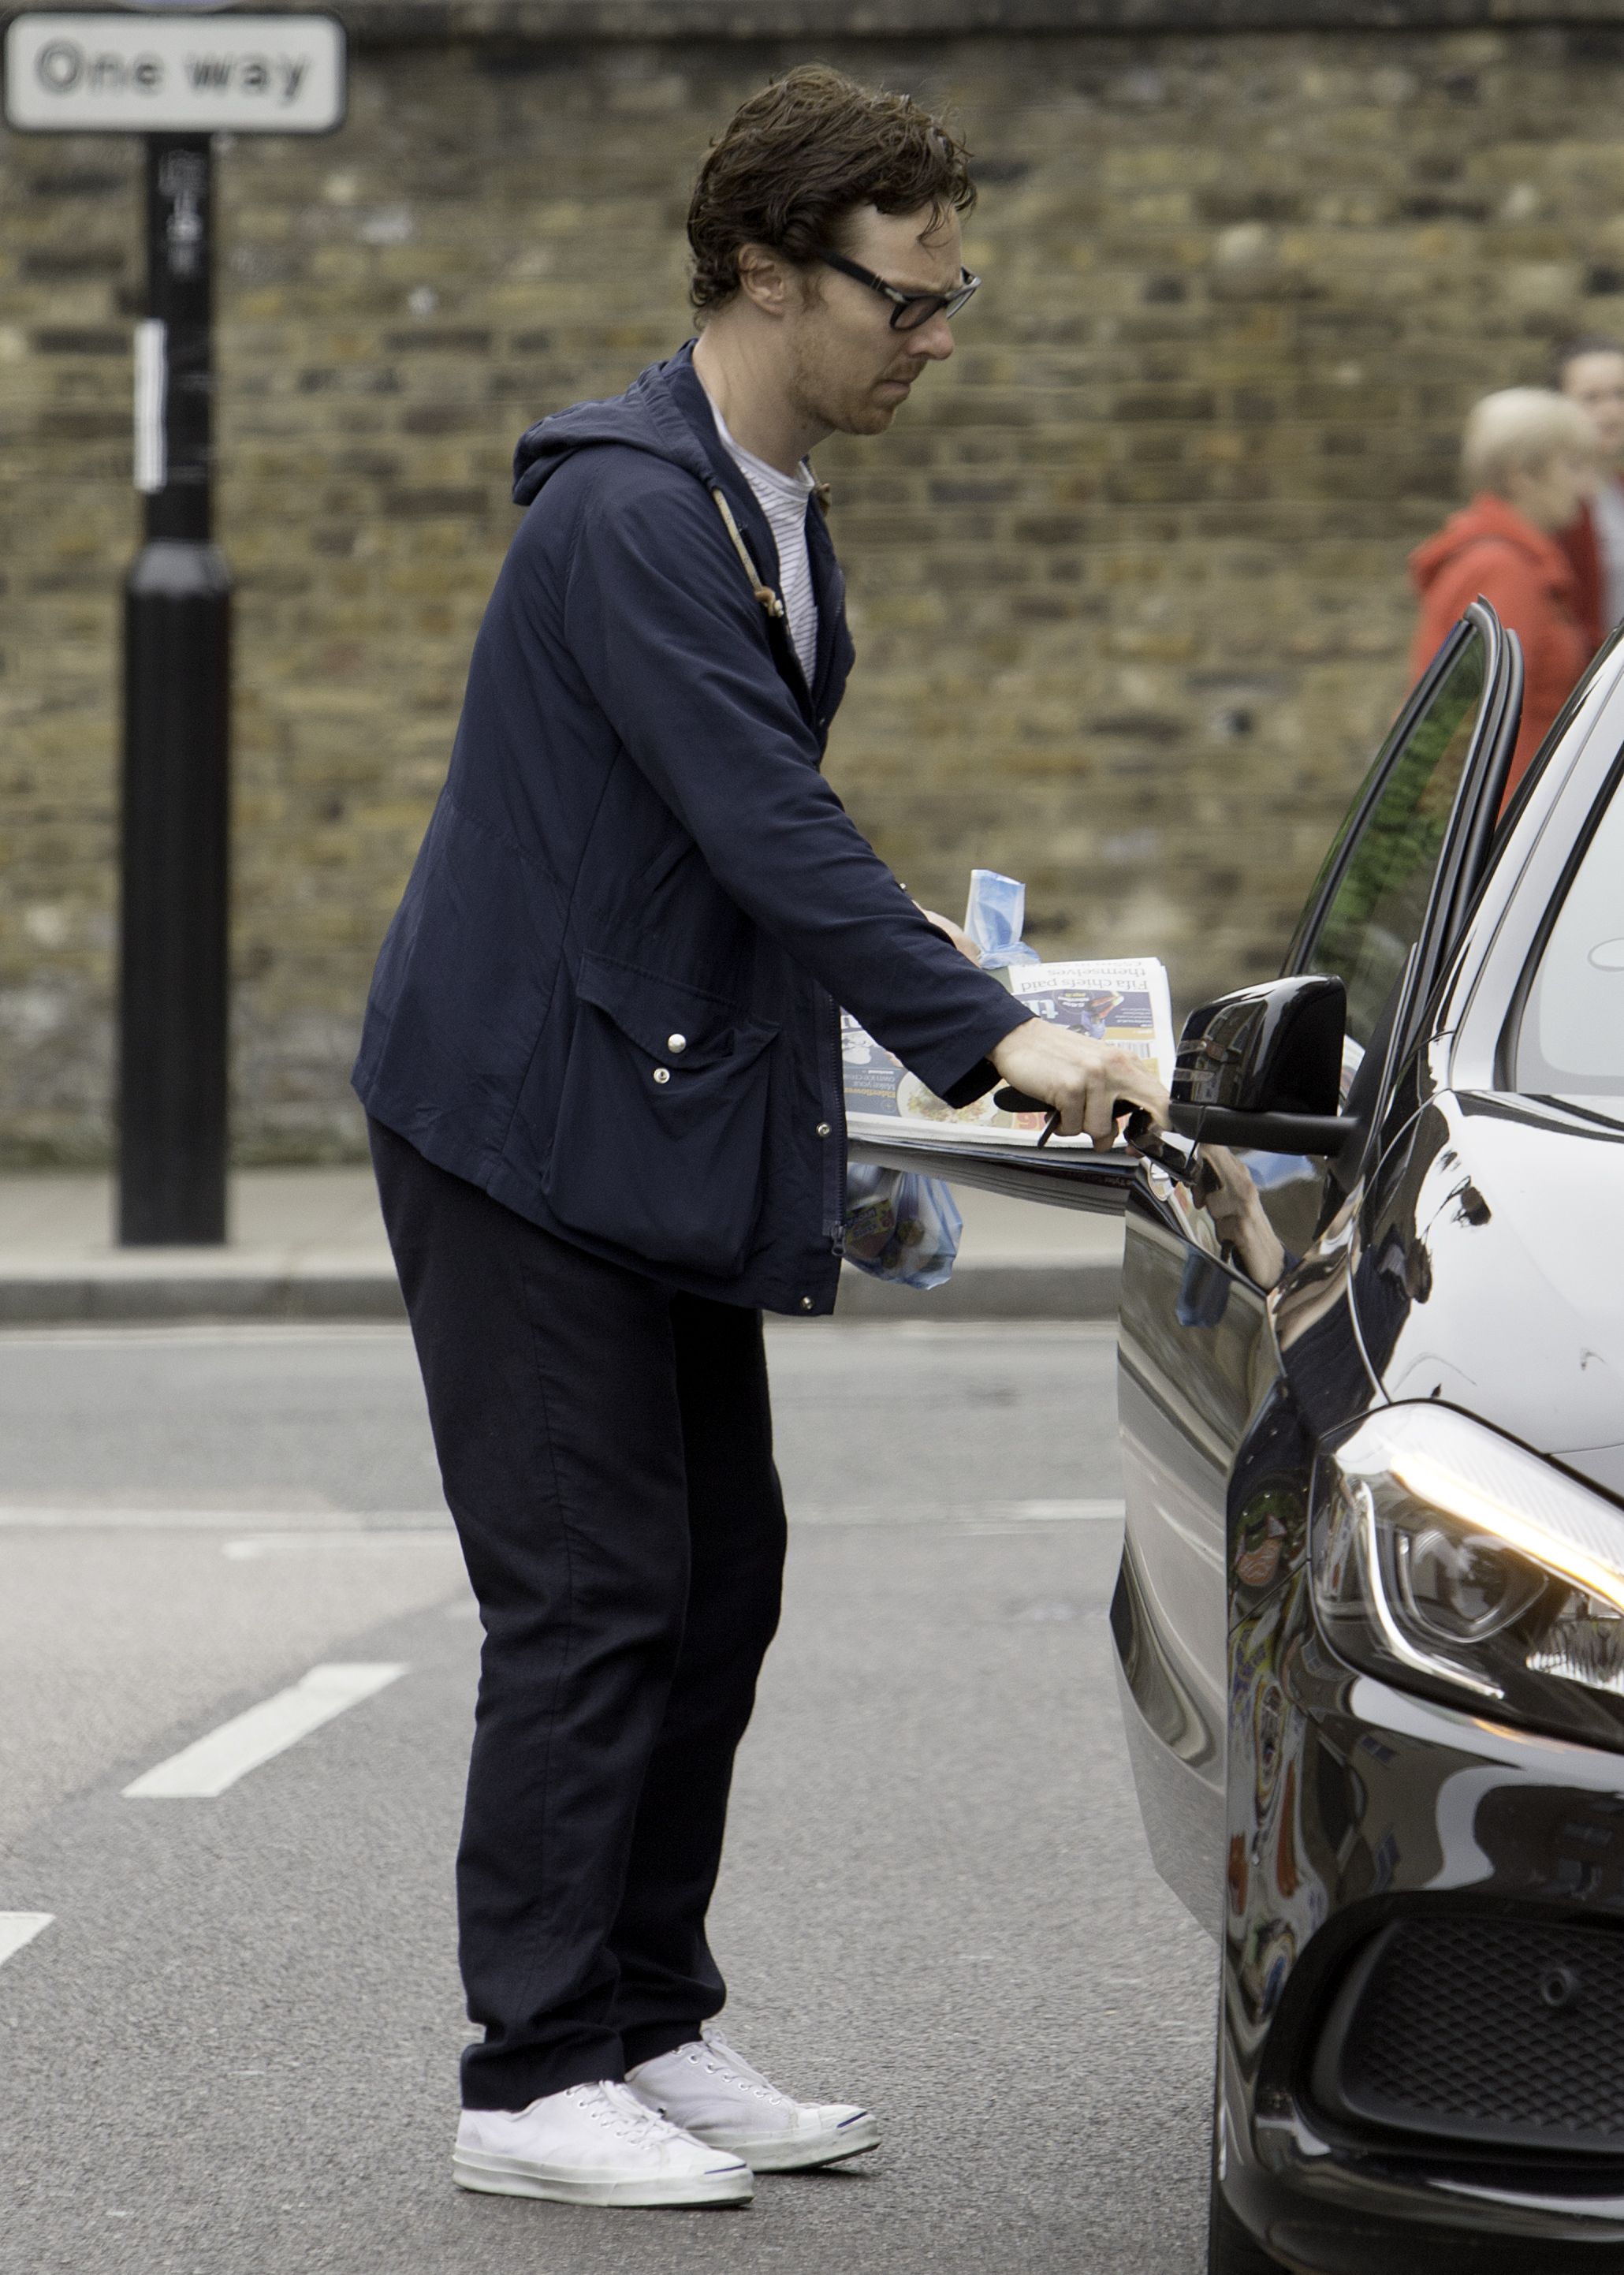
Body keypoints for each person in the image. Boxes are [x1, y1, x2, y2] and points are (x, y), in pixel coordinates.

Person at [352, 65, 1167, 2215]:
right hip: (523, 1122)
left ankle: (643, 2017)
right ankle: (528, 2072)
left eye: (946, 290)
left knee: (716, 1577)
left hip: (650, 1094)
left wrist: (923, 1036)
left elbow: (740, 848)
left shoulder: (758, 502)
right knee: (596, 1593)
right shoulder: (630, 511)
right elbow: (765, 822)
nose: (938, 337)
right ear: (756, 271)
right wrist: (993, 1038)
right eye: (904, 297)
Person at [1408, 387, 1596, 800]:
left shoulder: (1513, 560)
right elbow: (1480, 723)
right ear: (1521, 474)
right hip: (1508, 816)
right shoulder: (1505, 569)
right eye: (1572, 465)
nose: (1584, 487)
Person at [1553, 334, 1624, 654]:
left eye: (1621, 395)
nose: (1610, 411)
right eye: (1591, 398)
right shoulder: (1551, 506)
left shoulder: (1617, 489)